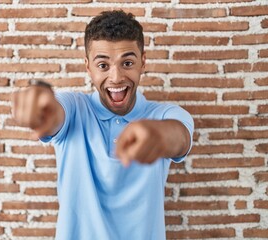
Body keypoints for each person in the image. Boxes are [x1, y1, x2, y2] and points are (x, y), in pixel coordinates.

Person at [12, 10, 194, 240]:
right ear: (88, 67)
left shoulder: (166, 114)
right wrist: (40, 108)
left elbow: (179, 137)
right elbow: (55, 112)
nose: (116, 77)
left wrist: (159, 135)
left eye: (127, 62)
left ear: (143, 62)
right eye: (103, 65)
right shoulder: (74, 107)